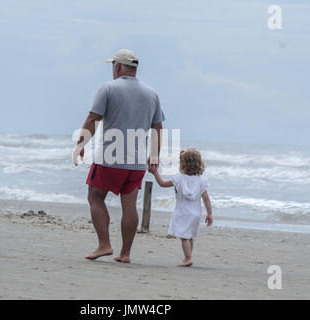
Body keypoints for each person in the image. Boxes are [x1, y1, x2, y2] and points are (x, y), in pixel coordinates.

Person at [73, 49, 165, 263]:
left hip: (109, 158)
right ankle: (125, 253)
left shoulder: (108, 88)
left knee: (95, 197)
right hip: (136, 161)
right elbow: (157, 128)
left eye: (112, 65)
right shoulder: (151, 93)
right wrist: (154, 156)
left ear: (117, 66)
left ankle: (104, 245)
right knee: (129, 204)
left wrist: (80, 144)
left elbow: (93, 119)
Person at [151, 148, 213, 267]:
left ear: (183, 164)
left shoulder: (178, 179)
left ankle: (188, 258)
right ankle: (188, 256)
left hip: (183, 212)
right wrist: (209, 214)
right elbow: (206, 199)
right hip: (196, 213)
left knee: (184, 237)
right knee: (189, 236)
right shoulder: (201, 181)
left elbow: (162, 184)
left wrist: (155, 173)